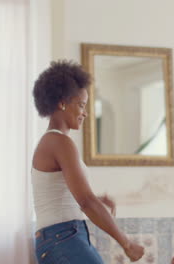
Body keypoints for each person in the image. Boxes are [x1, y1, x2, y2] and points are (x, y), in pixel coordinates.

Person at [31, 60, 144, 264]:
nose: (85, 112)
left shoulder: (53, 141)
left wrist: (97, 199)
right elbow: (86, 202)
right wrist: (126, 244)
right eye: (81, 105)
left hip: (61, 238)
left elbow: (65, 196)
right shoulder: (59, 142)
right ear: (62, 102)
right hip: (63, 239)